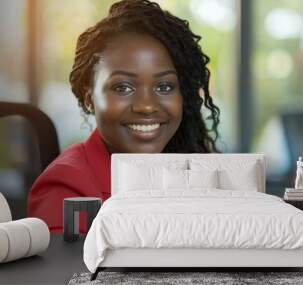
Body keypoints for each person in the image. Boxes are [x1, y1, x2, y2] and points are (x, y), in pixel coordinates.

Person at [28, 0, 221, 233]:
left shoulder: (189, 169)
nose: (147, 106)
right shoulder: (65, 189)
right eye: (122, 88)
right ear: (89, 97)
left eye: (165, 87)